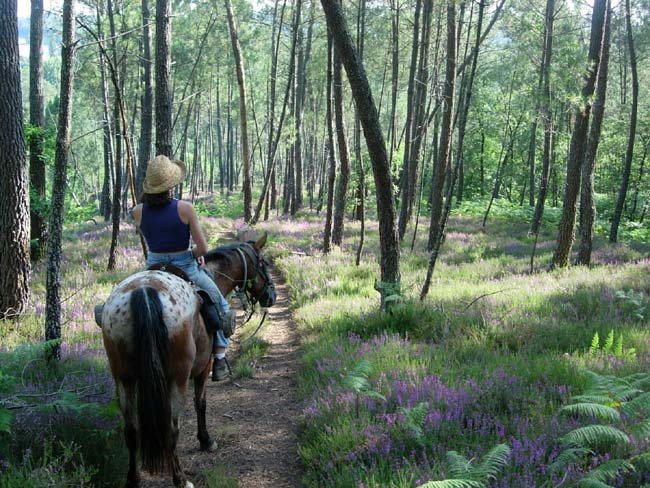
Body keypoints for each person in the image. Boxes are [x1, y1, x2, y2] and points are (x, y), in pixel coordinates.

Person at [133, 155, 233, 381]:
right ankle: (219, 358)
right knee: (221, 305)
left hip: (153, 267)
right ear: (172, 184)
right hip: (185, 265)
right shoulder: (185, 208)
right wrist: (194, 256)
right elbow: (203, 247)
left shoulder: (138, 211)